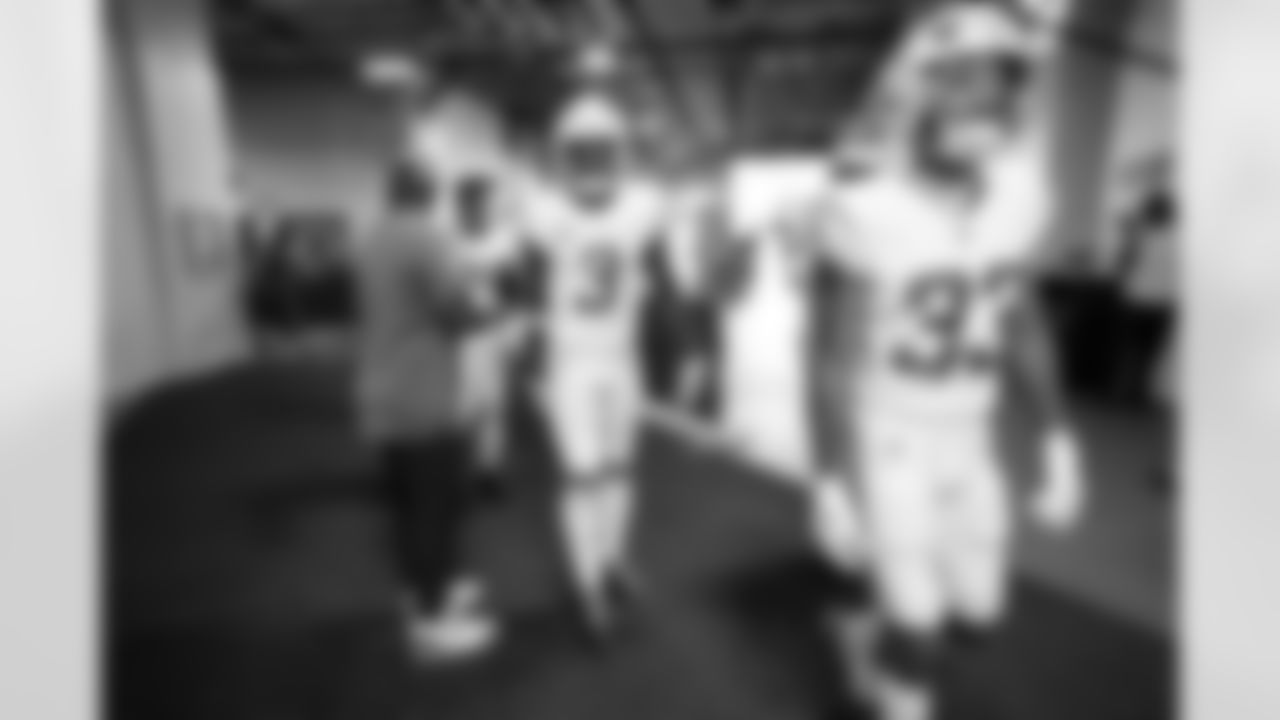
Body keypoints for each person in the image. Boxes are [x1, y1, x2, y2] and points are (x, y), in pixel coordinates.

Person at [792, 1, 1088, 717]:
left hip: (970, 436)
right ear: (916, 90)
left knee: (978, 618)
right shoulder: (867, 208)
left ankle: (870, 631)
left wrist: (1058, 438)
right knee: (919, 623)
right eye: (958, 80)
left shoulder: (1017, 198)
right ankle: (890, 668)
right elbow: (831, 361)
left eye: (995, 82)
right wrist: (831, 479)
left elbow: (1022, 323)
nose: (979, 100)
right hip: (890, 434)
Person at [514, 88, 677, 638]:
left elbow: (665, 282)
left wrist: (683, 351)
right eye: (580, 151)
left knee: (620, 470)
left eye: (600, 149)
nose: (591, 161)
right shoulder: (543, 212)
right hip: (571, 364)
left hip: (622, 360)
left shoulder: (644, 207)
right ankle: (587, 584)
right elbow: (529, 295)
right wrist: (531, 363)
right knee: (583, 476)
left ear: (620, 151)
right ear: (562, 155)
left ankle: (610, 560)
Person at [355, 156, 502, 663]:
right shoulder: (426, 238)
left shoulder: (373, 237)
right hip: (424, 397)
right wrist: (493, 307)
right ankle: (433, 622)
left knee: (408, 506)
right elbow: (458, 312)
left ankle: (425, 589)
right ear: (432, 194)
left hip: (383, 392)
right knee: (435, 508)